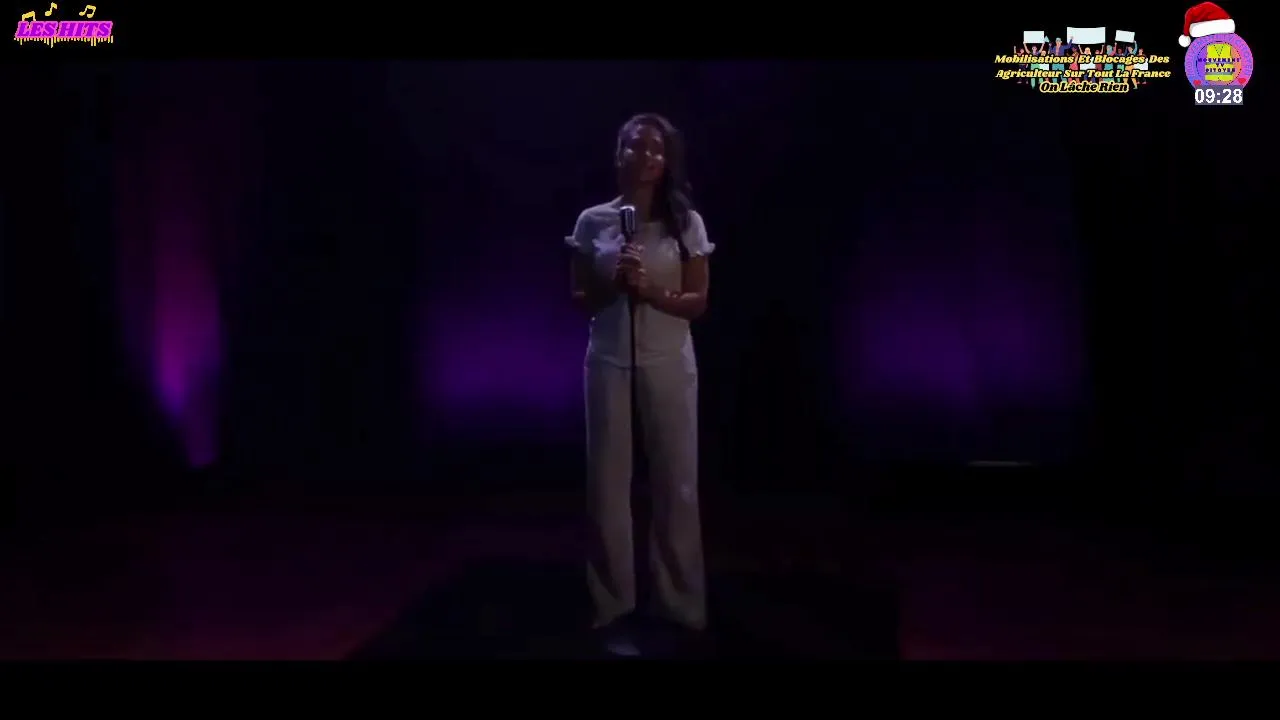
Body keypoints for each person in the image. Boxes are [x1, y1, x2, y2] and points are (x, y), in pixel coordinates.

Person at [563, 113, 714, 654]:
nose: (647, 156)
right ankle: (612, 603)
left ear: (668, 160)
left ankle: (679, 603)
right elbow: (579, 297)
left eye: (657, 149)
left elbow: (698, 301)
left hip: (669, 361)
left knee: (676, 483)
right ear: (618, 154)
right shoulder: (593, 221)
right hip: (607, 360)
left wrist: (651, 292)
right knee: (607, 486)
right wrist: (615, 284)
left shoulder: (685, 222)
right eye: (636, 146)